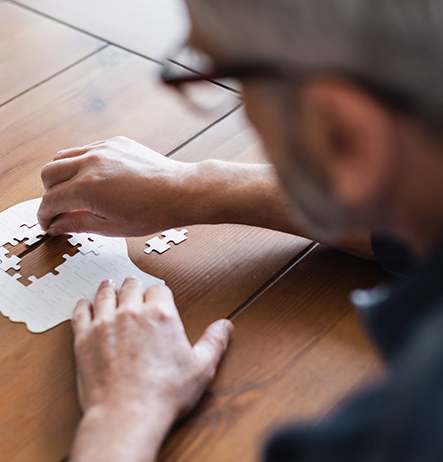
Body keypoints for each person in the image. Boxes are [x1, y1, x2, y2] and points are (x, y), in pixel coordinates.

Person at [38, 0, 443, 460]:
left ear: (342, 130)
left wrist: (122, 418)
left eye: (230, 75)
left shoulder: (396, 433)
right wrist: (193, 187)